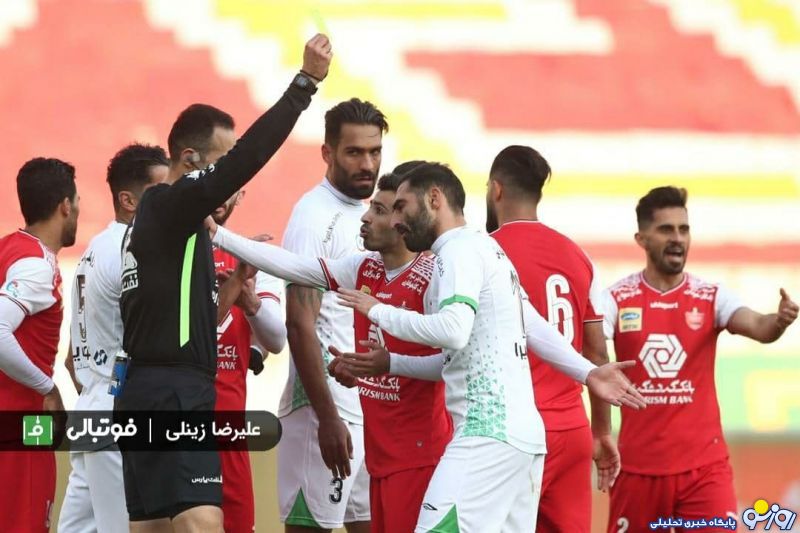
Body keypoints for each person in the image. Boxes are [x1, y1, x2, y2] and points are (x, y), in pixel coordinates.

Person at [334, 162, 646, 532]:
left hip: (486, 433)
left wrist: (377, 310)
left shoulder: (459, 251)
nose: (398, 220)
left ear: (435, 199)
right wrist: (588, 372)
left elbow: (453, 331)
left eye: (401, 207)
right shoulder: (495, 249)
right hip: (533, 436)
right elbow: (530, 324)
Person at [114, 34, 331, 533]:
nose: (229, 178)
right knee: (203, 522)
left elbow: (180, 313)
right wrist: (304, 85)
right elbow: (248, 157)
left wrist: (233, 287)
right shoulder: (171, 204)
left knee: (152, 526)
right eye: (220, 162)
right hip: (175, 392)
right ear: (190, 160)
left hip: (144, 389)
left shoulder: (157, 221)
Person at [208, 169, 452, 533]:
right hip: (378, 441)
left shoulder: (437, 275)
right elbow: (297, 267)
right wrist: (220, 235)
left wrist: (388, 363)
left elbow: (454, 356)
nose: (365, 217)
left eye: (380, 210)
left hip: (421, 447)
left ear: (404, 223)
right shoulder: (364, 268)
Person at [602, 186, 798, 533]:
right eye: (666, 229)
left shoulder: (710, 296)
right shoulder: (616, 298)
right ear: (641, 239)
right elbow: (590, 352)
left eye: (684, 229)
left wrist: (778, 321)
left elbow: (758, 326)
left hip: (704, 471)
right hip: (639, 470)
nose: (677, 238)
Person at [168, 103, 288, 533]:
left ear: (241, 193)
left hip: (230, 430)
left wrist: (249, 300)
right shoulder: (165, 245)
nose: (224, 195)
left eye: (233, 186)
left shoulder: (251, 254)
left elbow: (276, 340)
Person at [486, 145, 618, 532]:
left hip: (511, 430)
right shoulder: (577, 256)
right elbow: (597, 354)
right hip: (571, 429)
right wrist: (602, 432)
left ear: (496, 189)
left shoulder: (485, 252)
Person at [278, 97, 387, 532]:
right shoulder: (313, 217)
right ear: (327, 153)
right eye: (354, 152)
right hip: (321, 412)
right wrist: (326, 418)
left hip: (362, 408)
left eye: (375, 151)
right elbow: (299, 323)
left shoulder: (367, 215)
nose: (367, 164)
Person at [58, 144, 169, 533]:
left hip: (91, 408)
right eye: (159, 191)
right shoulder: (131, 250)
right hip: (119, 413)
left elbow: (71, 357)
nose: (168, 200)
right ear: (128, 200)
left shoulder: (94, 249)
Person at [0, 158, 78, 532]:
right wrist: (46, 387)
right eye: (76, 202)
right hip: (23, 423)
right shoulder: (35, 264)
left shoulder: (8, 249)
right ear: (65, 205)